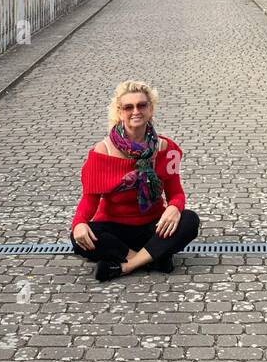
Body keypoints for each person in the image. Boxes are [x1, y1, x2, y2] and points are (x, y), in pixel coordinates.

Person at [71, 80, 199, 282]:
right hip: (114, 227)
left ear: (151, 109)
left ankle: (127, 265)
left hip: (152, 226)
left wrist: (174, 207)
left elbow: (176, 193)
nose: (135, 111)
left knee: (189, 220)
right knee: (78, 238)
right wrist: (78, 223)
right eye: (128, 107)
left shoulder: (167, 149)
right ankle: (154, 258)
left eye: (142, 105)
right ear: (119, 112)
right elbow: (89, 199)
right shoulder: (101, 152)